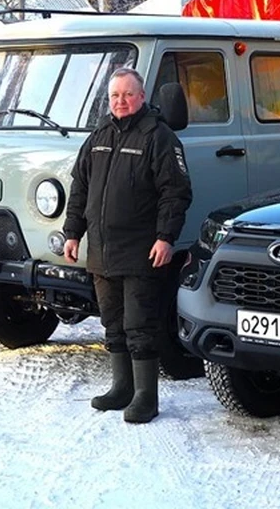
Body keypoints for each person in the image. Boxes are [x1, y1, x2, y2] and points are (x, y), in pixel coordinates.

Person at [62, 67, 193, 424]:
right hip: (102, 250)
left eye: (127, 94)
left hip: (141, 250)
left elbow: (175, 193)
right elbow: (80, 189)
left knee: (139, 325)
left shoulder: (159, 137)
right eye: (114, 96)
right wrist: (72, 232)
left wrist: (166, 237)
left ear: (142, 96)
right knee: (113, 323)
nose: (120, 101)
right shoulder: (99, 135)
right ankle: (121, 387)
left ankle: (145, 397)